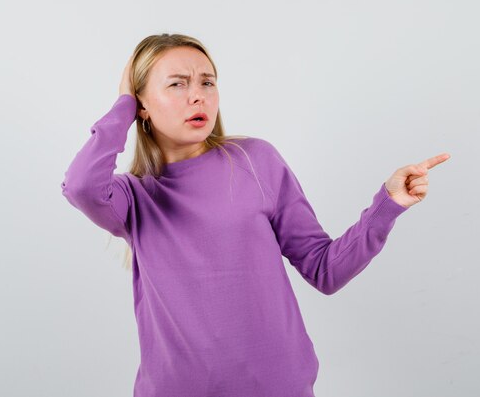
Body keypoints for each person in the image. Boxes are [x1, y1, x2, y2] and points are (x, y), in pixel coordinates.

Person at [60, 33, 450, 397]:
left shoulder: (255, 160)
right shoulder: (133, 196)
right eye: (177, 83)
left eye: (207, 82)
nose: (197, 96)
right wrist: (122, 105)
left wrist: (388, 205)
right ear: (141, 105)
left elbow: (325, 270)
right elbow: (81, 185)